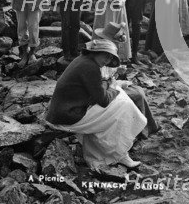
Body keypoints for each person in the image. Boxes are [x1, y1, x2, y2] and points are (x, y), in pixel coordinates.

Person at [44, 39, 146, 169]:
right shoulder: (90, 67)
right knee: (123, 106)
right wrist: (112, 86)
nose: (107, 61)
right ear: (96, 52)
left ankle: (96, 156)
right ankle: (119, 154)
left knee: (115, 105)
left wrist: (109, 85)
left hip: (61, 112)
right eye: (106, 56)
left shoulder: (83, 60)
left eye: (110, 58)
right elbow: (103, 100)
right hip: (68, 116)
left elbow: (98, 89)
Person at [94, 21, 158, 138]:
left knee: (138, 90)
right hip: (104, 90)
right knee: (137, 94)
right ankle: (142, 130)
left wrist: (120, 74)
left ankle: (148, 127)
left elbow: (109, 74)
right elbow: (102, 80)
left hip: (109, 85)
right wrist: (117, 81)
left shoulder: (108, 50)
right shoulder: (102, 53)